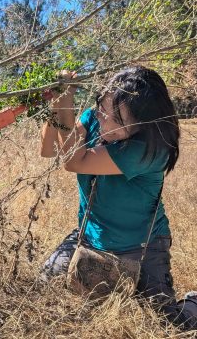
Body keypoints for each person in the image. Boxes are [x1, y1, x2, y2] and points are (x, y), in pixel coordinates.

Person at [40, 66, 197, 331]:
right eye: (103, 110)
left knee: (168, 322)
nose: (106, 124)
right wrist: (57, 101)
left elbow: (73, 161)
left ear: (145, 122)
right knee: (45, 285)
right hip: (89, 237)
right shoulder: (94, 118)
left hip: (142, 247)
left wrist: (67, 98)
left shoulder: (148, 150)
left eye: (120, 121)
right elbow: (47, 150)